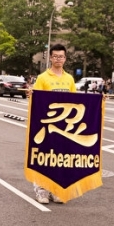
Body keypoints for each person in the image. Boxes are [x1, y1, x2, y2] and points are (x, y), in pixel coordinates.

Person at [30, 43, 76, 204]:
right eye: (55, 56)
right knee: (44, 157)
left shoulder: (69, 78)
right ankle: (41, 190)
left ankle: (56, 189)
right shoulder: (43, 78)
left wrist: (98, 101)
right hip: (46, 126)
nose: (58, 59)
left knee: (59, 158)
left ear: (65, 58)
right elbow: (37, 101)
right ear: (50, 57)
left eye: (61, 56)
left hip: (63, 127)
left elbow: (76, 102)